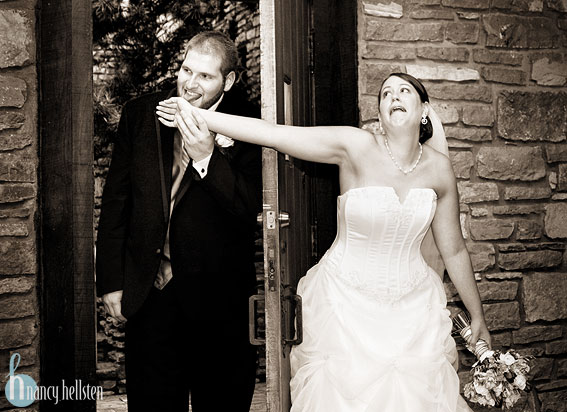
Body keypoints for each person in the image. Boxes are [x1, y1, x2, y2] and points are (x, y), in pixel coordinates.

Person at [157, 72, 491, 412]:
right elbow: (275, 134)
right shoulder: (355, 146)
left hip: (414, 312)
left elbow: (454, 250)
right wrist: (196, 114)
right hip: (345, 307)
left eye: (404, 90)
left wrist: (477, 315)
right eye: (385, 93)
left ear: (424, 110)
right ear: (379, 113)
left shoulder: (440, 170)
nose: (394, 96)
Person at [96, 31, 261, 412]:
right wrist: (111, 281)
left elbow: (248, 209)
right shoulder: (140, 113)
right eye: (187, 70)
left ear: (228, 81)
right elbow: (117, 201)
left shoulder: (251, 123)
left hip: (218, 302)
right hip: (151, 294)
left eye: (205, 76)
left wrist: (206, 157)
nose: (190, 84)